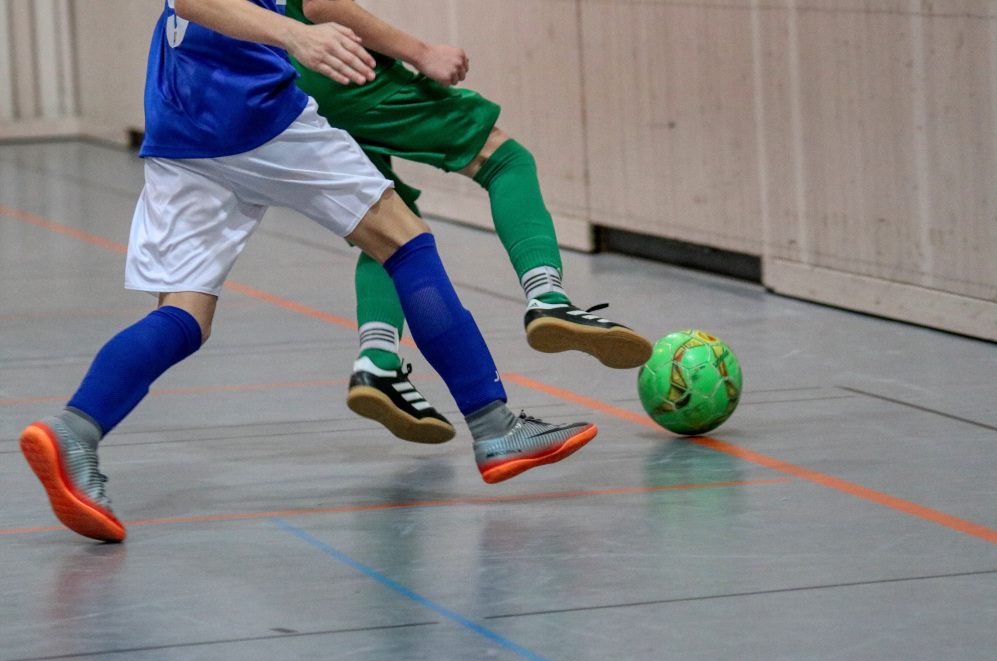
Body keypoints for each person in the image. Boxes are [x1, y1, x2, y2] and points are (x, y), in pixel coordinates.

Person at [18, 0, 597, 544]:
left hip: (180, 119)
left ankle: (75, 430)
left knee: (184, 314)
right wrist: (296, 34)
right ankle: (494, 426)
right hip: (251, 112)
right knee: (405, 241)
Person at [282, 0, 653, 445]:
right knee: (504, 160)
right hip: (339, 66)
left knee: (388, 226)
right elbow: (320, 3)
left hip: (288, 81)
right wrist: (420, 53)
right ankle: (547, 296)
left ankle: (377, 361)